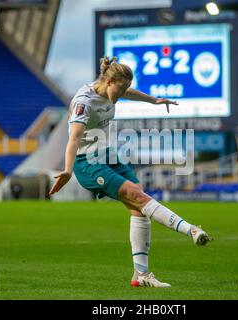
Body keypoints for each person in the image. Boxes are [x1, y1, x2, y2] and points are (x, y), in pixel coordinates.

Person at [48, 56, 213, 288]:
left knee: (139, 205)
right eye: (122, 87)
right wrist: (66, 170)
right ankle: (192, 230)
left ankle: (141, 276)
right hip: (87, 162)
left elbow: (130, 92)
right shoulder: (84, 102)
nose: (124, 92)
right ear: (108, 82)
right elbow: (74, 137)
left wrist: (154, 100)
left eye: (126, 87)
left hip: (107, 155)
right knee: (138, 197)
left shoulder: (112, 89)